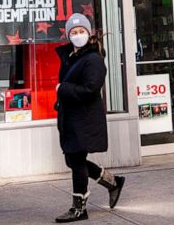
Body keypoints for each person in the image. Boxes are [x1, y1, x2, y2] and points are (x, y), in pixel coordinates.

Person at [54, 13, 125, 222]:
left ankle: (79, 208)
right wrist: (60, 99)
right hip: (71, 117)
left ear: (88, 33)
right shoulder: (71, 57)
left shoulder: (93, 59)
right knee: (73, 159)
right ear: (69, 35)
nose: (77, 35)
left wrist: (63, 89)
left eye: (81, 32)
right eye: (73, 32)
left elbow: (90, 89)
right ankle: (113, 182)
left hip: (84, 120)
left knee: (76, 161)